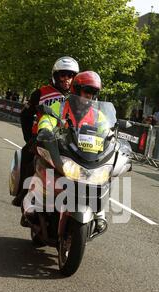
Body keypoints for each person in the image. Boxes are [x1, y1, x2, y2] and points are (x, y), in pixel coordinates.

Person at [36, 71, 108, 232]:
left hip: (85, 156)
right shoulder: (59, 106)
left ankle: (100, 214)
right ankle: (37, 203)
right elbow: (48, 119)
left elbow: (107, 132)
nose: (89, 96)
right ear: (76, 90)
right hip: (62, 151)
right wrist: (45, 129)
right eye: (87, 91)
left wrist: (113, 142)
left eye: (93, 93)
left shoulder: (98, 115)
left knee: (104, 177)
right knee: (43, 165)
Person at [12, 56, 79, 206]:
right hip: (44, 138)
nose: (66, 79)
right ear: (55, 75)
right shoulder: (41, 92)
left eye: (71, 75)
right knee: (27, 155)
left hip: (69, 140)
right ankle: (22, 193)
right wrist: (30, 137)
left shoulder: (77, 97)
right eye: (63, 74)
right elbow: (25, 114)